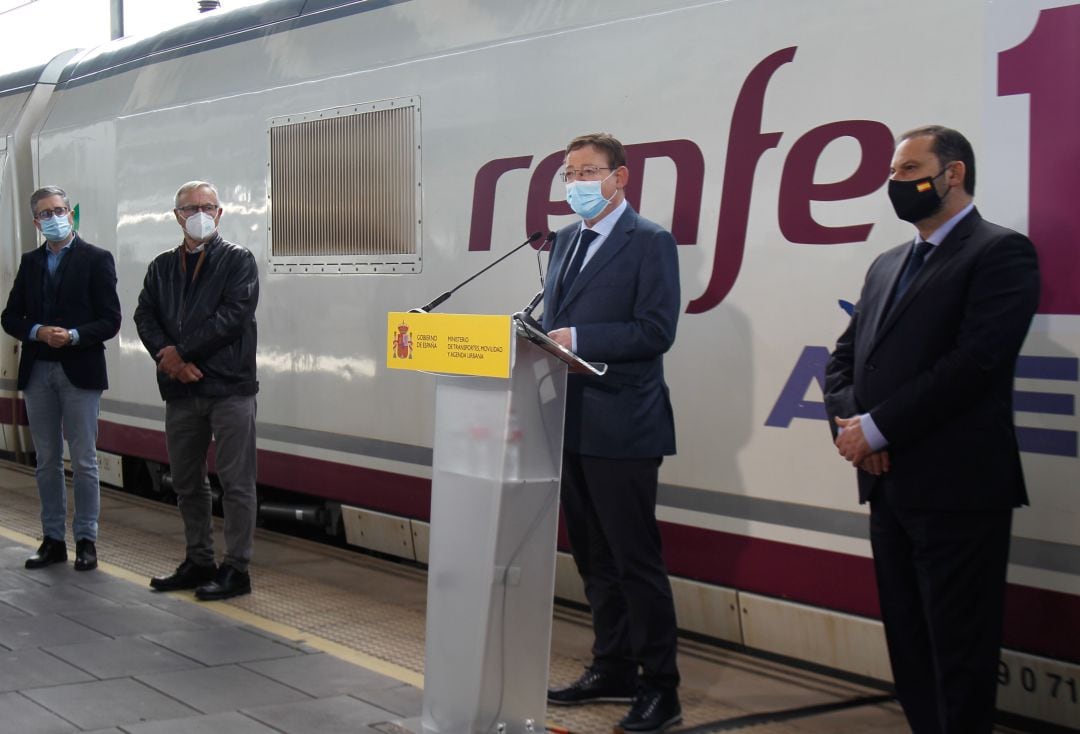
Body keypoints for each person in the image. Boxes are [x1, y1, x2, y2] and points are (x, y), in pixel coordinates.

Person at [824, 126, 1040, 733]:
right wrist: (854, 432)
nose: (897, 183)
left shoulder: (1001, 252)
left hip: (958, 490)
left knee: (960, 651)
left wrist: (878, 428)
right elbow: (844, 361)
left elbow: (975, 364)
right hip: (888, 486)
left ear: (954, 174)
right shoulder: (886, 264)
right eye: (893, 172)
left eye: (909, 169)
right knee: (911, 648)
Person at [541, 133, 681, 733]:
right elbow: (557, 322)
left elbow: (655, 330)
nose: (576, 182)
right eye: (569, 172)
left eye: (589, 171)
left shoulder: (650, 242)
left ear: (620, 177)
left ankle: (661, 687)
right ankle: (613, 664)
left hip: (624, 425)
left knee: (634, 559)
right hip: (568, 423)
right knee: (593, 555)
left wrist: (582, 341)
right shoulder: (566, 241)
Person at [134, 181, 259, 601]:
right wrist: (167, 357)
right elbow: (144, 314)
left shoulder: (238, 261)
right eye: (190, 208)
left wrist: (178, 355)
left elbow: (233, 317)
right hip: (181, 393)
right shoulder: (161, 267)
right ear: (176, 216)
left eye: (208, 206)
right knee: (187, 480)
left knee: (236, 482)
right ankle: (199, 559)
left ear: (220, 214)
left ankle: (236, 568)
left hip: (229, 388)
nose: (200, 213)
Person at [2, 187, 121, 572]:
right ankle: (52, 539)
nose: (54, 217)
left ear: (70, 214)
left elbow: (110, 319)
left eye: (60, 210)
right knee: (47, 459)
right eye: (45, 213)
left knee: (85, 460)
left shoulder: (96, 259)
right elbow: (10, 316)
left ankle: (86, 540)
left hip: (80, 370)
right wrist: (37, 331)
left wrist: (71, 336)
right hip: (38, 372)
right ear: (36, 222)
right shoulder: (31, 262)